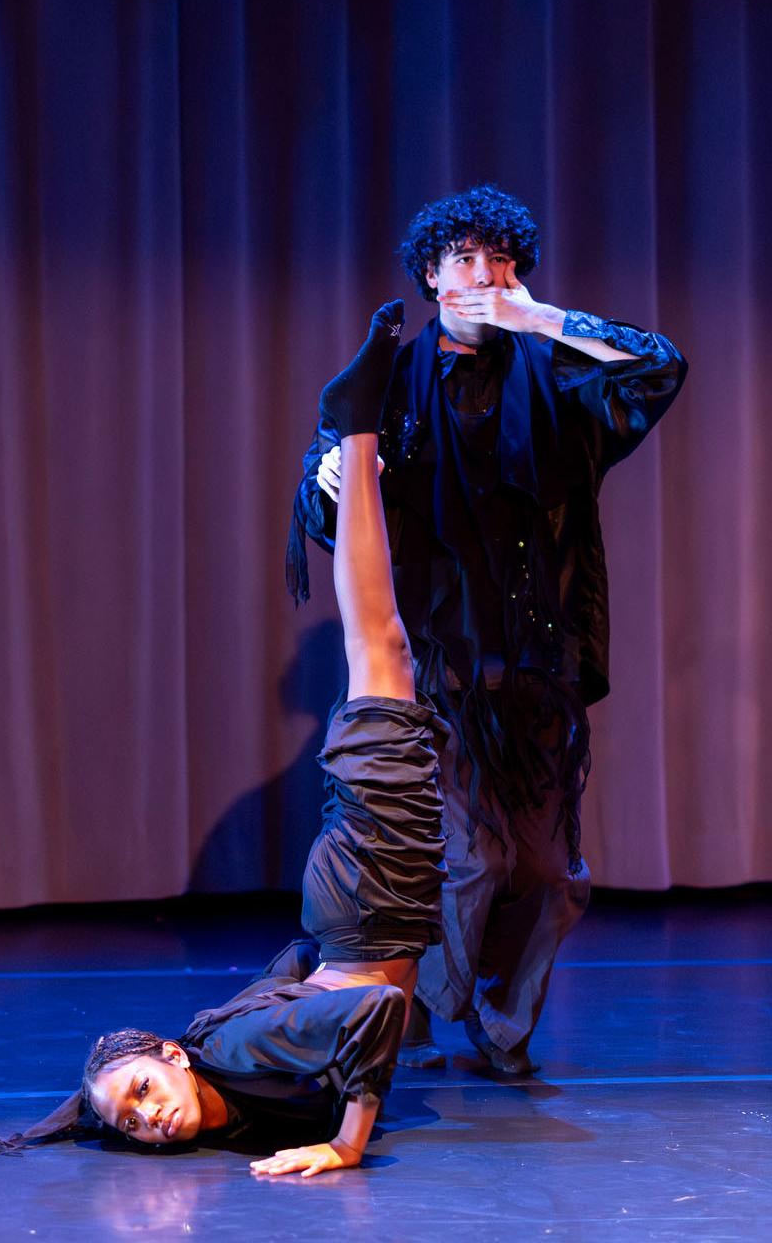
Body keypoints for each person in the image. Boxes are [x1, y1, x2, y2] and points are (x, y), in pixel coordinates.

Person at [0, 299, 441, 1177]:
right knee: (385, 653)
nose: (144, 1120)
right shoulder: (226, 1080)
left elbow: (375, 1016)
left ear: (173, 1058)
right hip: (364, 909)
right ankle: (360, 431)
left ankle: (360, 429)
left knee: (383, 648)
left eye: (139, 1092)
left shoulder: (246, 1052)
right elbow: (311, 979)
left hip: (371, 898)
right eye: (129, 1122)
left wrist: (346, 1143)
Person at [286, 184, 687, 1074]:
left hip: (537, 664)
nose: (484, 276)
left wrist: (544, 321)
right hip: (439, 672)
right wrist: (338, 478)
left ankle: (501, 1025)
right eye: (465, 259)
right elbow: (324, 496)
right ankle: (422, 1010)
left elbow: (656, 369)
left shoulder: (557, 372)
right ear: (431, 275)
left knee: (546, 876)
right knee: (469, 866)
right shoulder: (390, 380)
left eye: (500, 260)